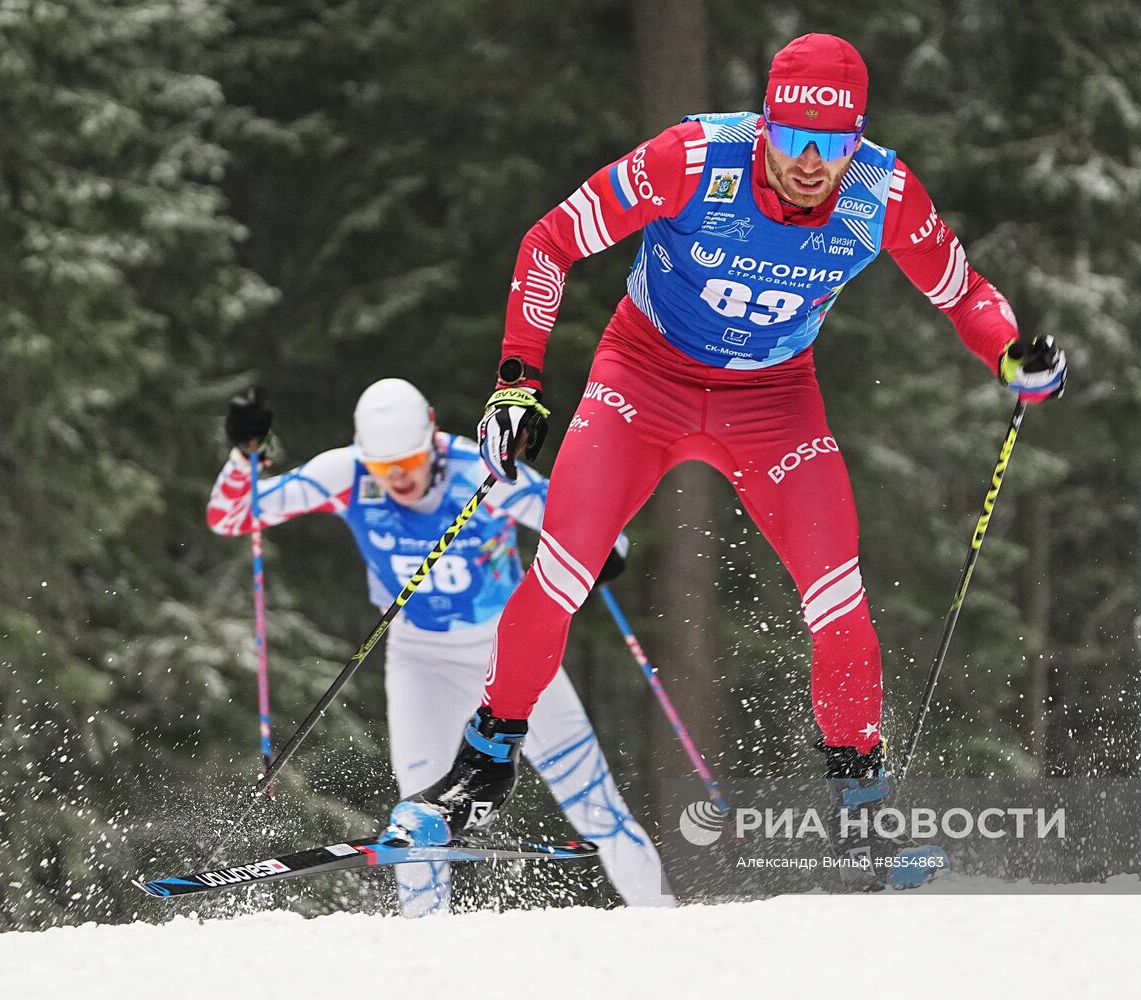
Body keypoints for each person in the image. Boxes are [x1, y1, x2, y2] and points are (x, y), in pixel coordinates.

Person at [384, 34, 1067, 859]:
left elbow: (964, 294)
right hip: (643, 377)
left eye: (833, 145)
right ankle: (482, 768)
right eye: (793, 139)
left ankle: (862, 800)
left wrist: (1009, 353)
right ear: (766, 124)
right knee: (562, 567)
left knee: (837, 594)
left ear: (857, 141)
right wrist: (517, 382)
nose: (812, 163)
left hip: (774, 401)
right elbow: (549, 241)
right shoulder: (694, 158)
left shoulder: (879, 193)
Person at [207, 378, 671, 914]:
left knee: (596, 807)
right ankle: (425, 959)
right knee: (417, 827)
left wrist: (604, 548)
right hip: (419, 661)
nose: (398, 477)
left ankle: (665, 923)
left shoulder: (482, 469)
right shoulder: (347, 473)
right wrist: (243, 455)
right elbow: (234, 515)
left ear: (431, 437)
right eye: (384, 468)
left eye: (407, 461)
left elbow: (578, 516)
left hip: (510, 658)